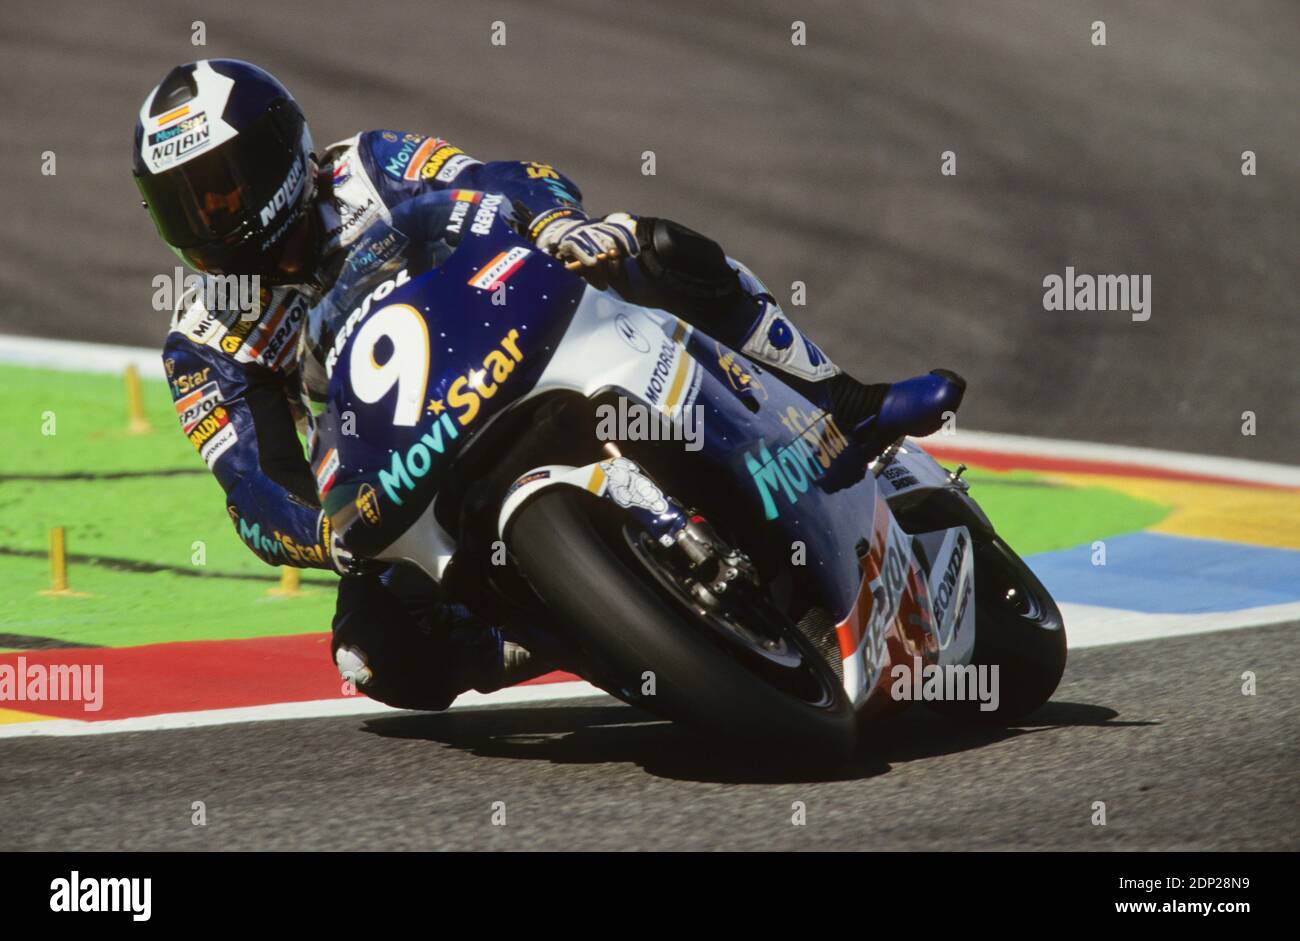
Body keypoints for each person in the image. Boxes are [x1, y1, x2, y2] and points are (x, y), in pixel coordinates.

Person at [134, 58, 964, 711]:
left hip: (513, 334)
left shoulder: (368, 165)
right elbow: (253, 488)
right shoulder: (203, 342)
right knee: (374, 655)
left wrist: (558, 222)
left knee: (648, 246)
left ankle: (837, 399)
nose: (211, 217)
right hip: (398, 468)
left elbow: (501, 180)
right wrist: (324, 534)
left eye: (222, 187)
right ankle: (587, 625)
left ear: (281, 150)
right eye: (184, 207)